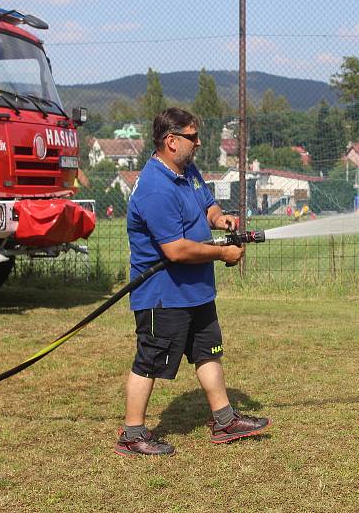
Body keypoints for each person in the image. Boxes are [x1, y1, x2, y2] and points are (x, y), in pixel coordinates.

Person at [115, 108, 271, 456]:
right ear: (171, 141)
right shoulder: (155, 186)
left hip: (195, 291)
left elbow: (207, 205)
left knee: (208, 351)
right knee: (150, 361)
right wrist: (222, 255)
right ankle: (132, 434)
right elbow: (176, 250)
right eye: (192, 137)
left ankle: (224, 420)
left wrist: (221, 219)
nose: (198, 142)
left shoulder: (187, 171)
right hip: (162, 296)